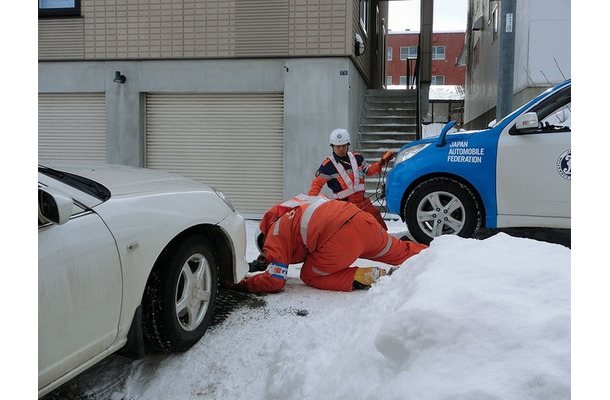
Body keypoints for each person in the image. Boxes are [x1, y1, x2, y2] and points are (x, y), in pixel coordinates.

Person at [227, 194, 427, 293]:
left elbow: (275, 281)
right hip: (361, 219)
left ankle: (366, 276)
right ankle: (440, 254)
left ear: (264, 237)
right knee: (401, 252)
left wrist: (243, 285)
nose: (270, 254)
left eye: (268, 252)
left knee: (309, 274)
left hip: (339, 237)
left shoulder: (274, 234)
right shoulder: (294, 207)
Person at [308, 128, 394, 230]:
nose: (341, 149)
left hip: (363, 203)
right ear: (332, 146)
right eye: (338, 146)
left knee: (378, 225)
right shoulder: (327, 166)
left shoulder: (357, 158)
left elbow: (369, 170)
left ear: (348, 145)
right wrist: (309, 205)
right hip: (344, 207)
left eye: (343, 145)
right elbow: (316, 185)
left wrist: (381, 163)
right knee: (351, 232)